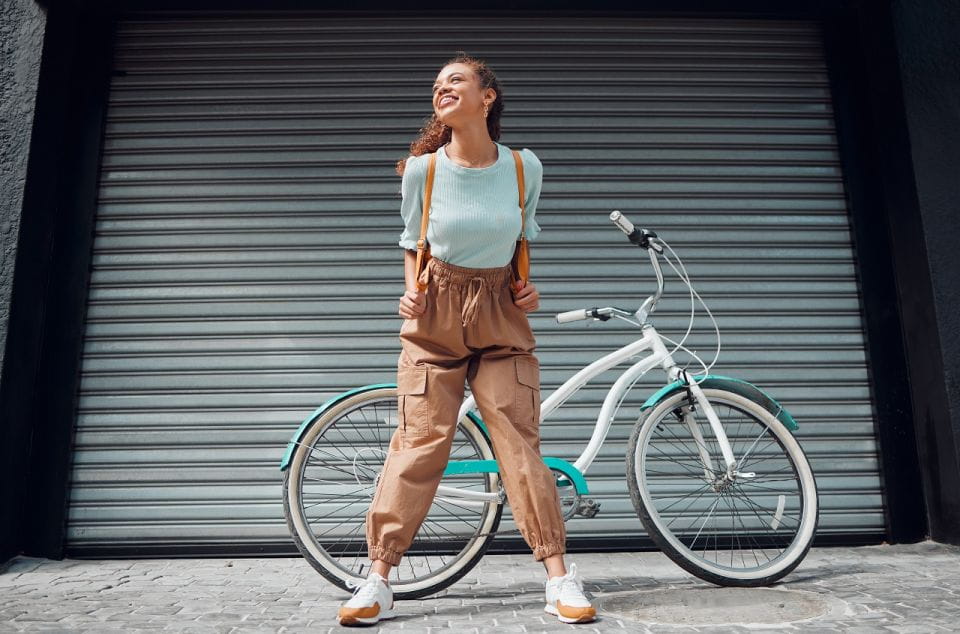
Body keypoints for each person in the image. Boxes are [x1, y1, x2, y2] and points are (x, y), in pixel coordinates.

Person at [336, 52, 597, 627]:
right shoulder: (422, 170)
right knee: (420, 441)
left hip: (501, 310)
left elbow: (522, 239)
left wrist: (527, 290)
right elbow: (411, 241)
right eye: (436, 85)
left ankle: (559, 579)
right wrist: (410, 292)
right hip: (437, 312)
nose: (441, 89)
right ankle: (377, 580)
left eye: (455, 80)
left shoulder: (525, 167)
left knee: (518, 443)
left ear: (488, 97)